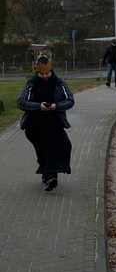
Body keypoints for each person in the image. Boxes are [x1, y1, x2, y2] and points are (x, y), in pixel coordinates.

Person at [17, 56, 75, 191]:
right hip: (34, 125)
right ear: (37, 72)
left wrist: (56, 106)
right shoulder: (31, 85)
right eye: (41, 74)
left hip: (54, 123)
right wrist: (38, 106)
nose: (44, 76)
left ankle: (50, 176)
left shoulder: (59, 84)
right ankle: (48, 175)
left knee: (62, 145)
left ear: (51, 71)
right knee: (42, 151)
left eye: (47, 73)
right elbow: (21, 102)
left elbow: (70, 100)